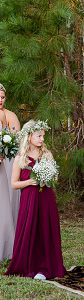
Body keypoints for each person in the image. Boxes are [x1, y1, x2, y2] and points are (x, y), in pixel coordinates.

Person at [5, 120, 65, 279]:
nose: (42, 139)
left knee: (45, 229)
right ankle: (30, 265)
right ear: (29, 136)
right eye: (39, 136)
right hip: (29, 199)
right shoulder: (20, 158)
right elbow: (13, 184)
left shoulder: (47, 154)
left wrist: (49, 178)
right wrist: (29, 182)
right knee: (31, 229)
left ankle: (45, 267)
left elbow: (55, 176)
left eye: (43, 136)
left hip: (46, 197)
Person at [0, 82, 21, 262]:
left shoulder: (10, 115)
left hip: (7, 160)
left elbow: (16, 139)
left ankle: (11, 237)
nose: (0, 100)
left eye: (3, 97)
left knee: (9, 195)